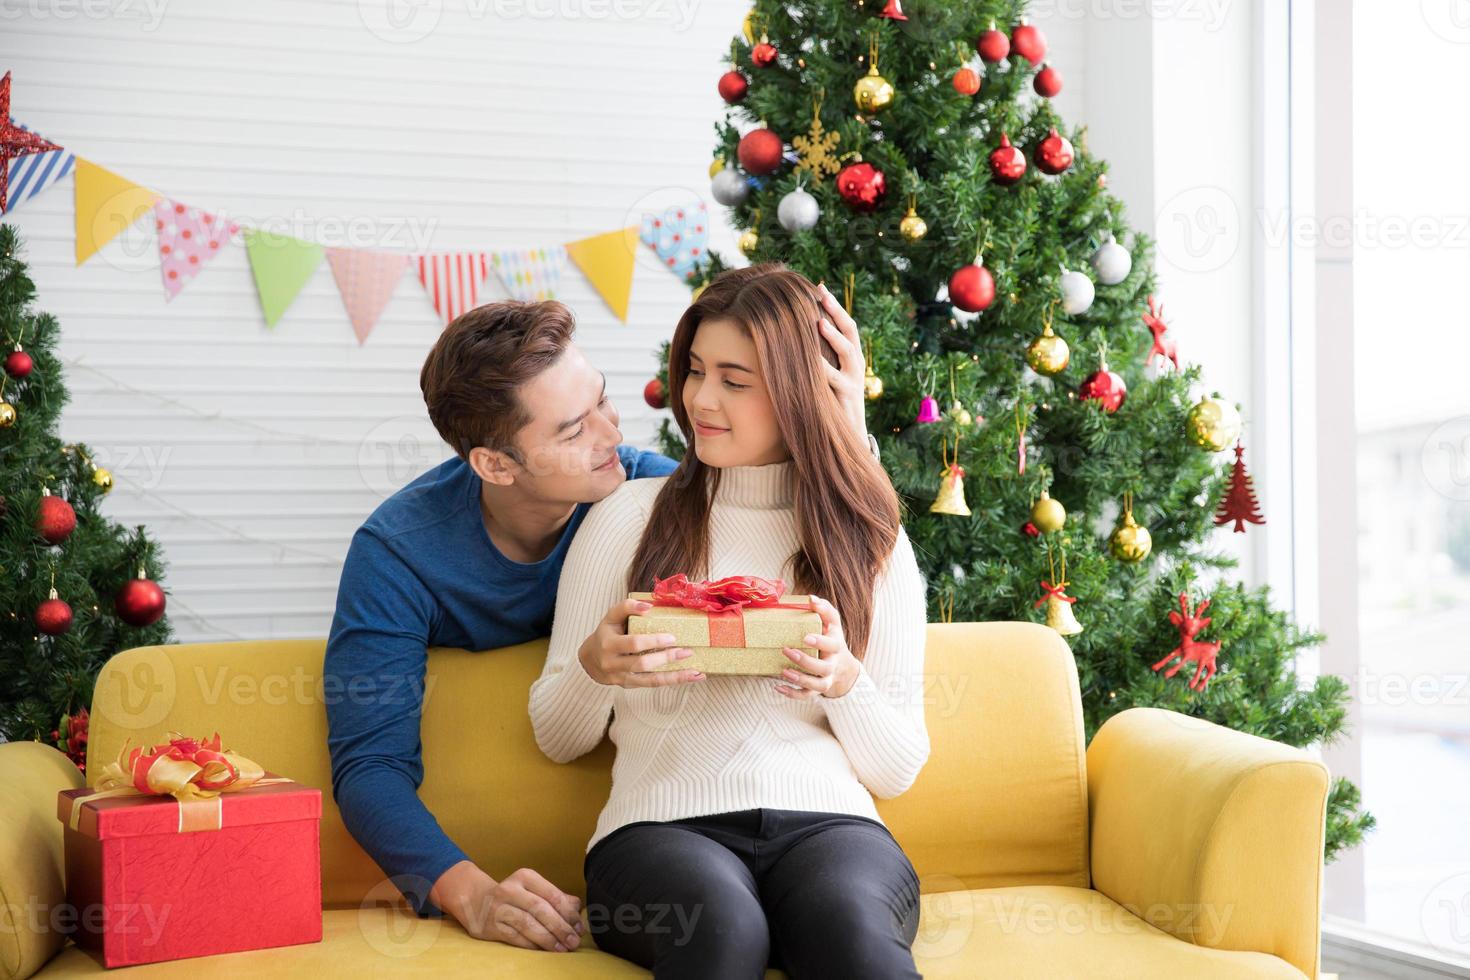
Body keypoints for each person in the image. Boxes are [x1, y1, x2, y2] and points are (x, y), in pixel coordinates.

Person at [323, 291, 876, 953]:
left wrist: (843, 431)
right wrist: (470, 893)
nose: (614, 434)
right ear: (494, 465)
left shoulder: (649, 496)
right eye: (571, 430)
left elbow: (804, 536)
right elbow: (370, 765)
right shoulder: (396, 553)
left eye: (603, 401)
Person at [529, 263, 930, 979]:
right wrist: (596, 666)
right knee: (723, 928)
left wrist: (845, 683)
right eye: (694, 370)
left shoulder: (868, 537)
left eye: (735, 381)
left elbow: (897, 768)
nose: (701, 399)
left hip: (834, 830)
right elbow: (557, 738)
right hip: (657, 832)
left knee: (853, 935)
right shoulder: (628, 517)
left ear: (802, 394)